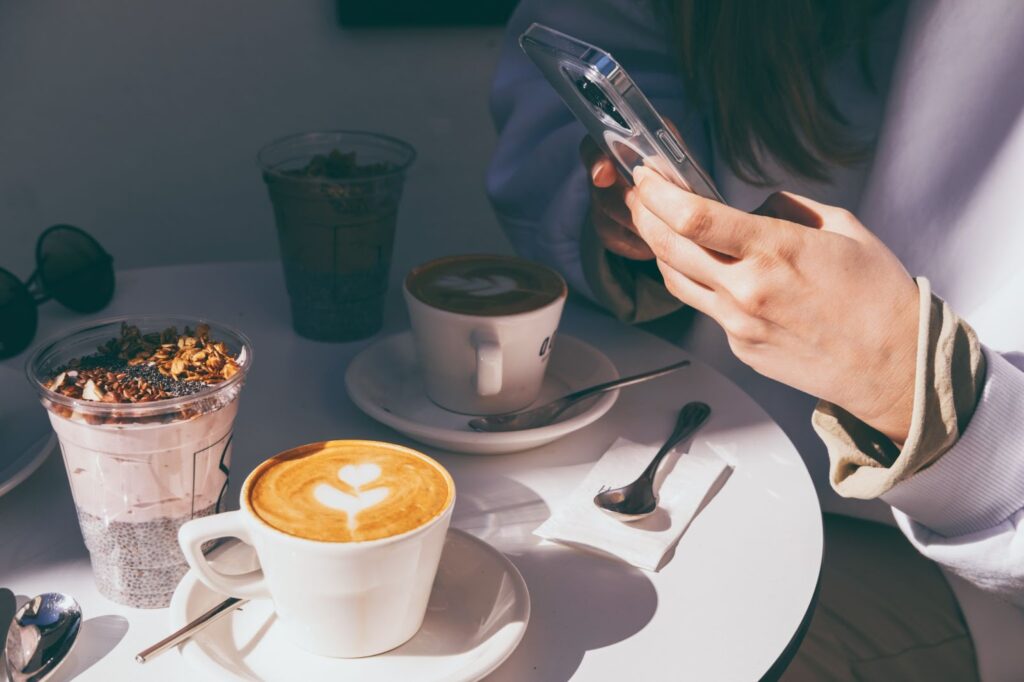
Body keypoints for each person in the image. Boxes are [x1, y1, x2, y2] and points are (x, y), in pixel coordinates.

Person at [487, 0, 1024, 679]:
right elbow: (611, 35)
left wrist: (904, 379)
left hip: (955, 571)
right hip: (724, 460)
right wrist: (640, 231)